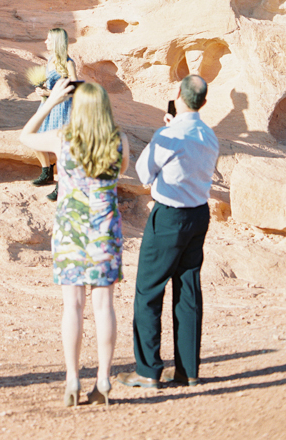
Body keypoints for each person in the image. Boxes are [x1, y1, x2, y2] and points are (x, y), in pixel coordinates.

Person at [21, 80, 129, 407]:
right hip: (105, 227)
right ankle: (104, 379)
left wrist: (50, 103)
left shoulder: (62, 138)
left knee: (73, 306)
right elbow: (120, 172)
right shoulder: (118, 140)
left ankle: (72, 379)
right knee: (104, 306)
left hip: (71, 227)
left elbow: (24, 136)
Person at [118, 74, 218, 390]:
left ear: (177, 94)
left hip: (170, 216)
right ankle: (187, 370)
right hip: (199, 215)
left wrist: (165, 130)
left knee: (148, 291)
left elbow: (144, 173)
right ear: (203, 102)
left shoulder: (168, 134)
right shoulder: (209, 134)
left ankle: (148, 370)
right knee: (188, 290)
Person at [31, 27, 77, 200]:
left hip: (61, 107)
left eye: (49, 39)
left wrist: (49, 94)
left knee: (60, 147)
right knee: (35, 138)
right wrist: (40, 90)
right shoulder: (51, 59)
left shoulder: (68, 62)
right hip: (47, 105)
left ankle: (61, 185)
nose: (45, 41)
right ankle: (46, 172)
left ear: (57, 42)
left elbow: (74, 88)